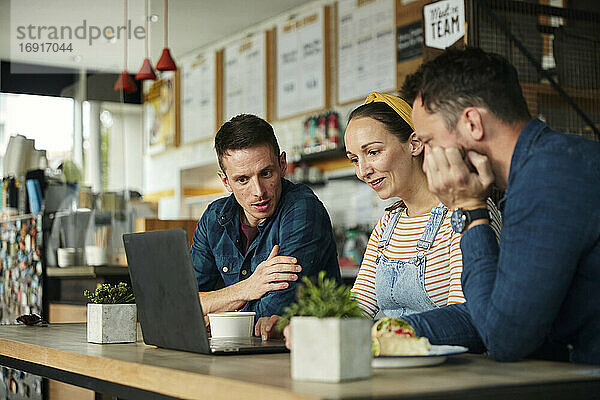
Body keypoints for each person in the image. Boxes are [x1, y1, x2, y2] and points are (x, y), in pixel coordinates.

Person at [400, 47, 600, 365]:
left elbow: (505, 338)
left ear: (473, 124)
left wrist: (469, 209)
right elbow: (493, 313)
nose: (426, 159)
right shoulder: (553, 161)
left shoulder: (546, 179)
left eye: (428, 142)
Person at [345, 92, 501, 319]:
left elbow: (468, 318)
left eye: (373, 152)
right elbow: (358, 307)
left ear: (415, 144)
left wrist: (389, 334)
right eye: (355, 159)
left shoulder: (467, 210)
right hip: (394, 351)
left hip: (457, 355)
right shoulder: (388, 223)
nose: (363, 171)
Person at [191, 114, 341, 340]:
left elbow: (274, 311)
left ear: (282, 165)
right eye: (242, 179)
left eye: (266, 173)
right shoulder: (214, 218)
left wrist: (214, 312)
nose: (259, 191)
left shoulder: (303, 209)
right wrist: (248, 287)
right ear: (225, 181)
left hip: (307, 352)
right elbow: (185, 303)